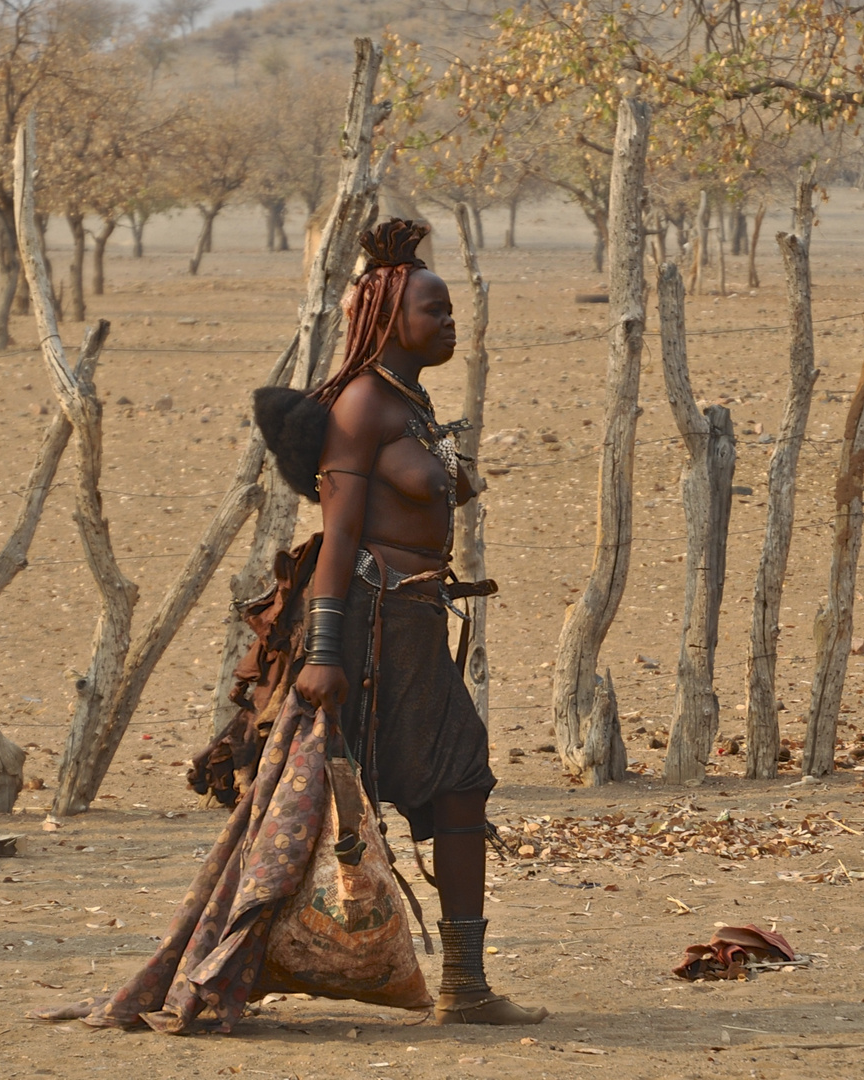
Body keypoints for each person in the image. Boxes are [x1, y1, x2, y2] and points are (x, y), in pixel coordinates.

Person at [291, 219, 546, 1026]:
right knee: (315, 806)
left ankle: (463, 985)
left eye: (449, 310)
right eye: (433, 311)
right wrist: (324, 652)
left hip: (410, 622)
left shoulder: (408, 400)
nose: (448, 323)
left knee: (457, 784)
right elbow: (335, 539)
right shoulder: (360, 407)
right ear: (388, 317)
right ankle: (231, 964)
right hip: (367, 629)